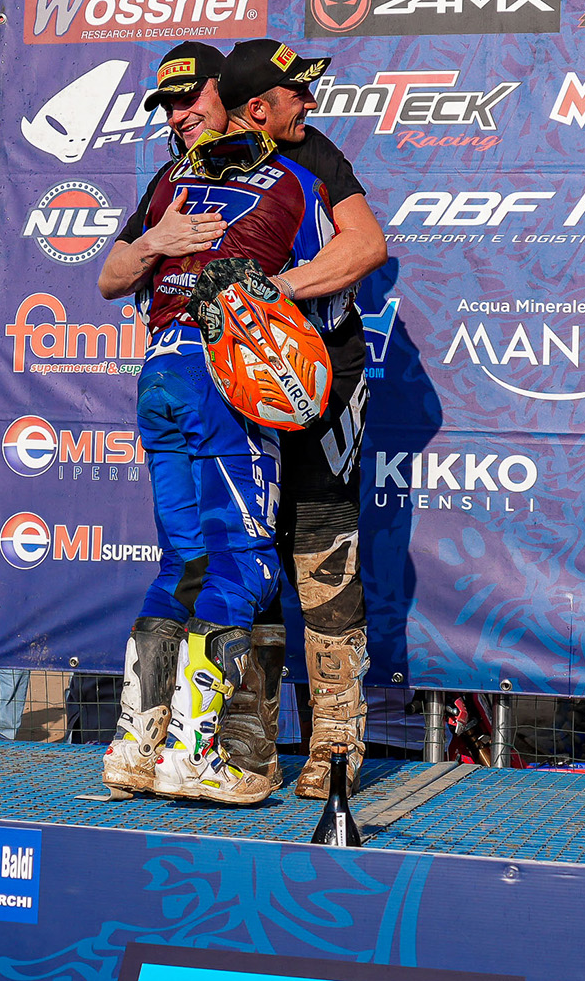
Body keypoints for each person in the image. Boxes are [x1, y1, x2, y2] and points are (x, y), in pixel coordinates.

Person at [99, 40, 388, 798]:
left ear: (233, 101)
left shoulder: (308, 153)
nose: (180, 116)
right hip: (225, 378)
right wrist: (159, 247)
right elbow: (113, 272)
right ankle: (240, 744)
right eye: (169, 105)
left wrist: (266, 294)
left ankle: (334, 743)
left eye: (191, 100)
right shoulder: (182, 171)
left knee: (316, 551)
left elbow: (366, 247)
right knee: (229, 559)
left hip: (314, 378)